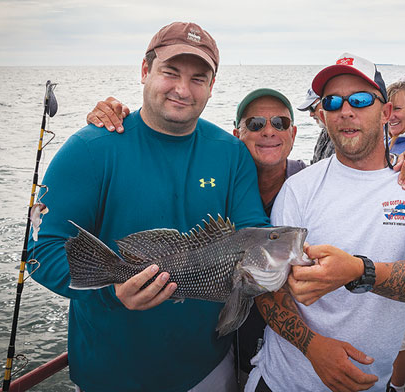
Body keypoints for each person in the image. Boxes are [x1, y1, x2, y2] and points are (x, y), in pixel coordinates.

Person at [87, 88, 405, 391]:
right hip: (234, 345)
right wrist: (120, 118)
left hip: (266, 334)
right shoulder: (217, 186)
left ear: (293, 131)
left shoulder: (304, 182)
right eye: (255, 124)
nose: (268, 131)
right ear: (237, 133)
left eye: (280, 123)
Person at [26, 22, 271, 392]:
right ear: (145, 71)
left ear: (211, 85)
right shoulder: (90, 149)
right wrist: (112, 290)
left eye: (198, 78)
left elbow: (253, 233)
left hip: (208, 367)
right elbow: (41, 250)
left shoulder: (231, 153)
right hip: (108, 373)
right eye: (170, 73)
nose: (182, 90)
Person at [245, 52, 405, 392]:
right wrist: (313, 348)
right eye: (332, 101)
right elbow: (267, 292)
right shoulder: (298, 189)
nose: (346, 110)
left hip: (370, 383)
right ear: (323, 114)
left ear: (386, 112)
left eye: (360, 99)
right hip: (282, 380)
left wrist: (359, 271)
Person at [296, 88, 335, 164]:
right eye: (309, 109)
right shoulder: (324, 132)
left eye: (312, 108)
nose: (311, 114)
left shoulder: (344, 134)